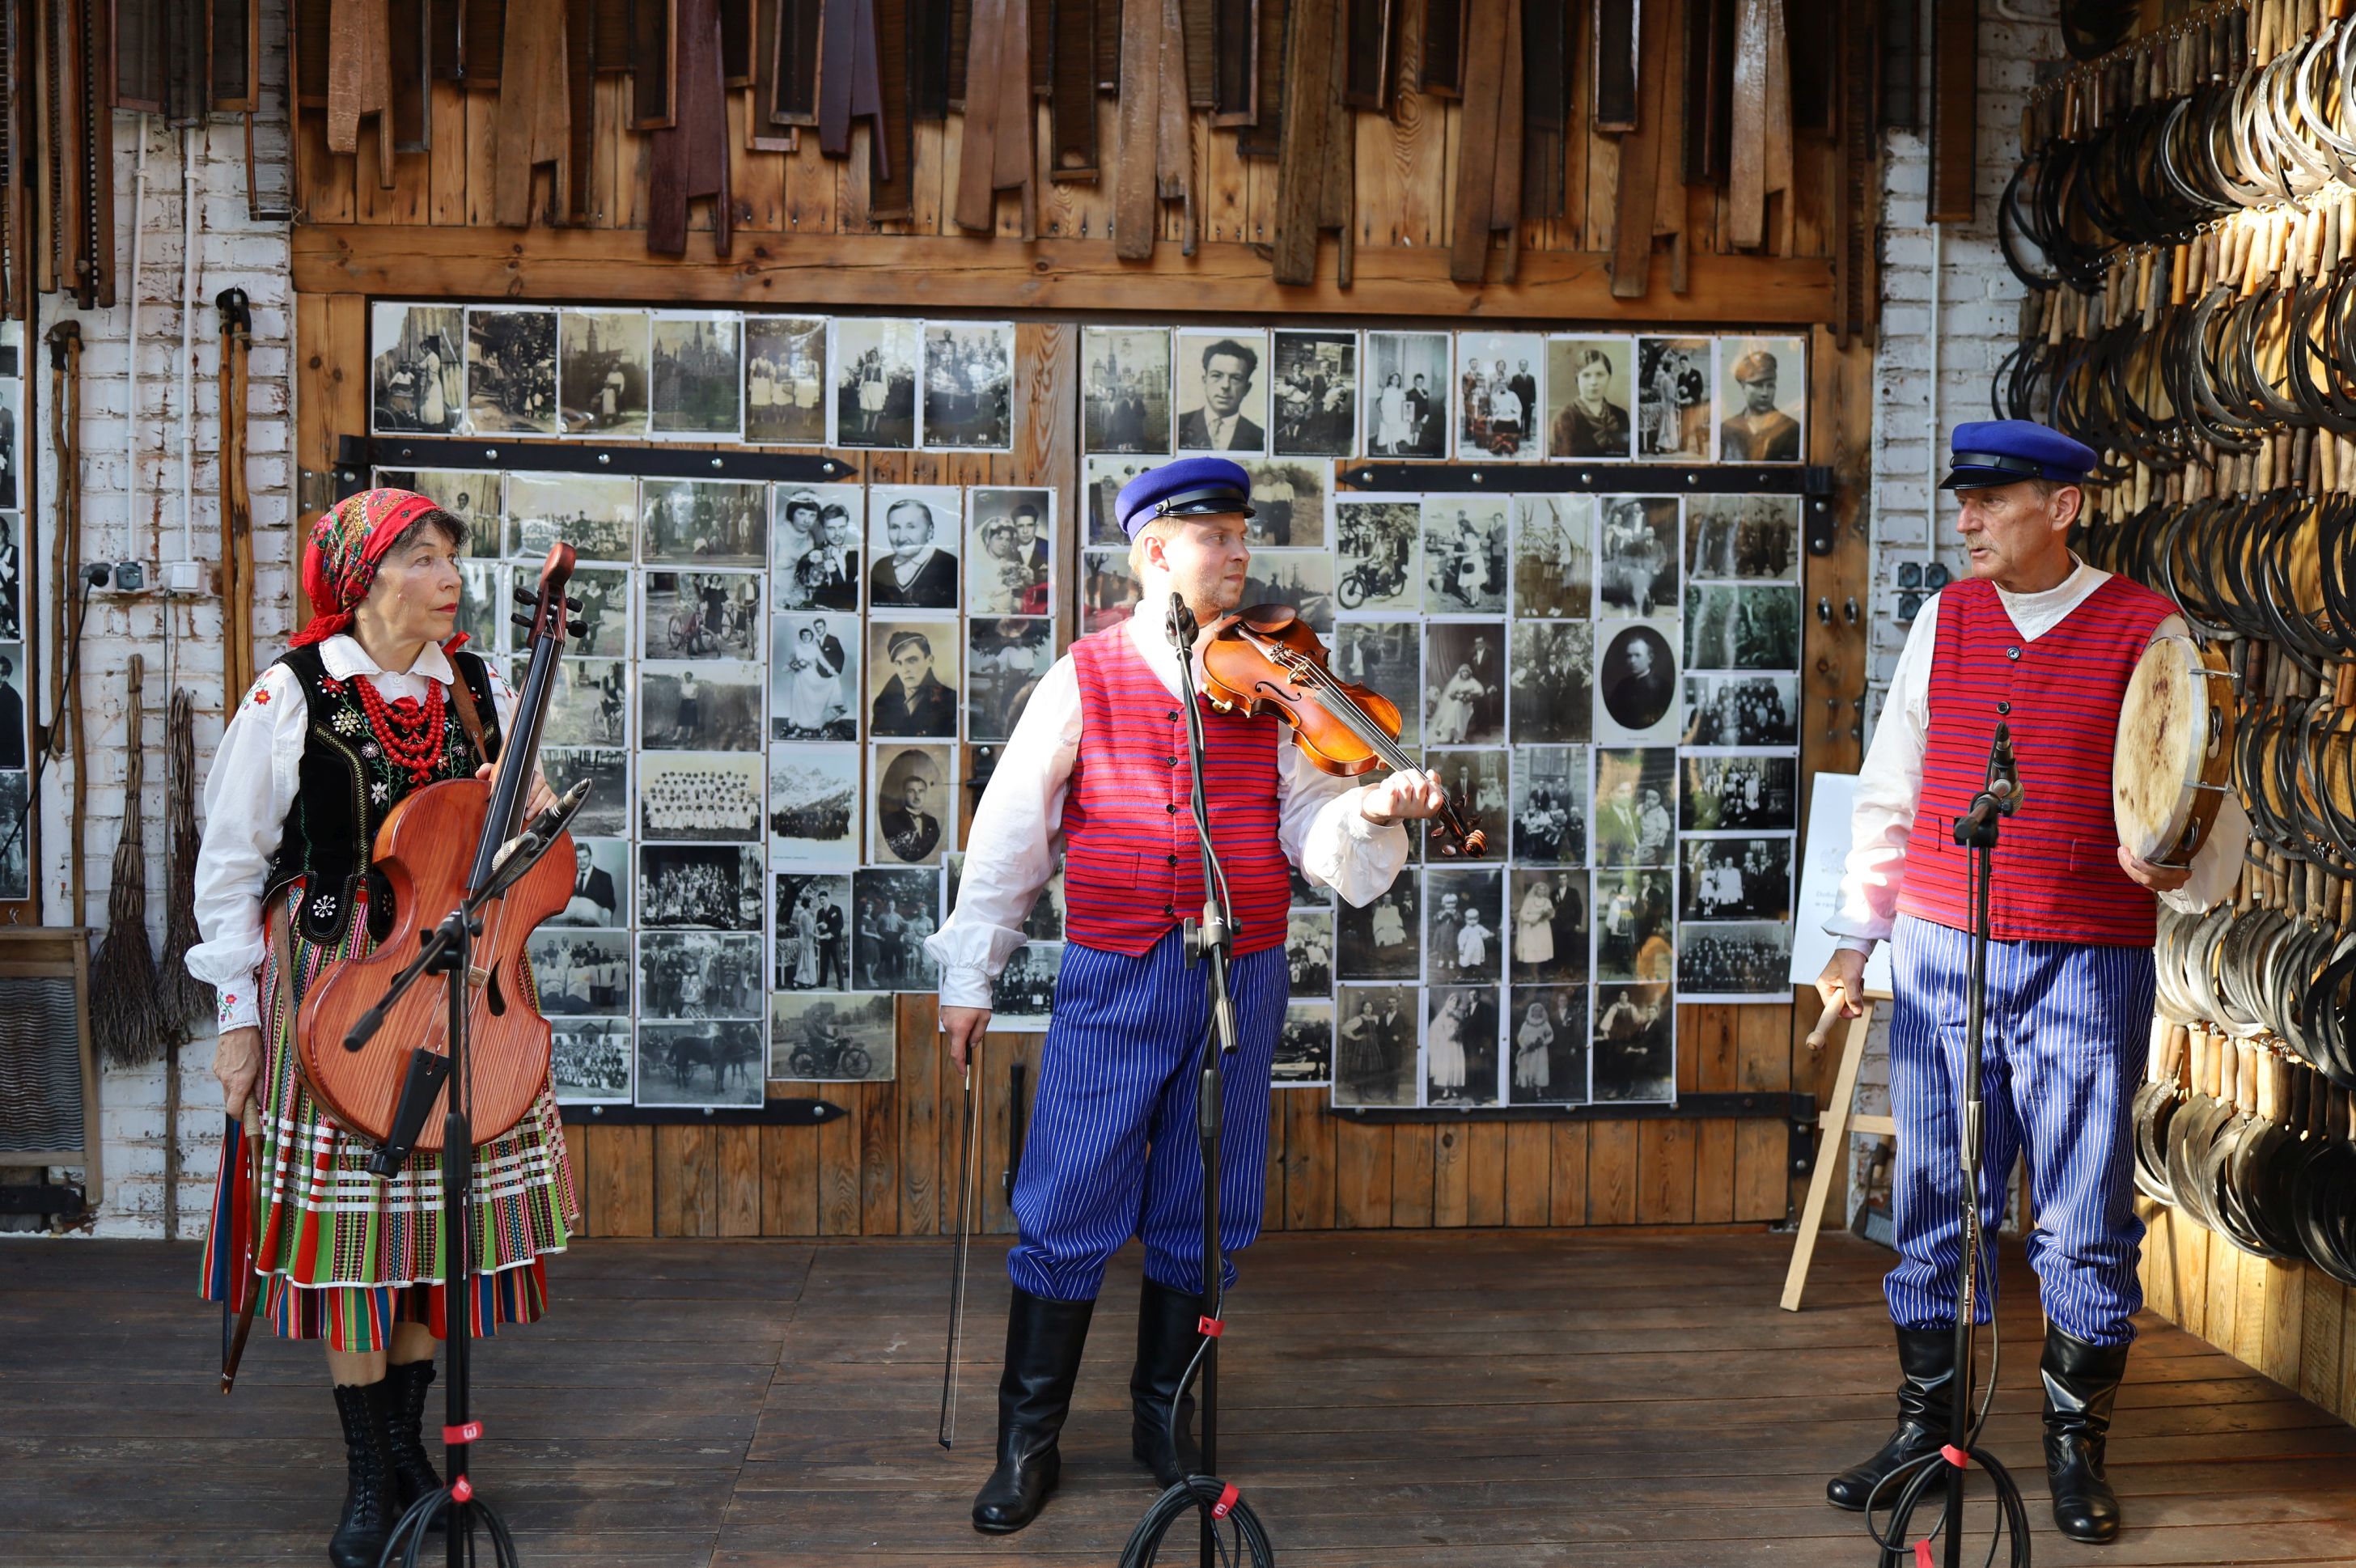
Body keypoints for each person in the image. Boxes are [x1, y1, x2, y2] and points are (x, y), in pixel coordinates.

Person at [928, 457, 1444, 1533]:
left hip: (1238, 976)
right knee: (1068, 1195)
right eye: (1218, 537)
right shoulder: (1085, 675)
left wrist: (1370, 812)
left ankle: (1163, 1421)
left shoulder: (1273, 682)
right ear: (1156, 550)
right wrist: (972, 973)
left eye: (1244, 536)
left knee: (1206, 1202)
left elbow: (1309, 829)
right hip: (1116, 971)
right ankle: (1026, 1443)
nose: (1240, 554)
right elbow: (1012, 831)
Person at [1816, 420, 2248, 1545]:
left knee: (2082, 1213)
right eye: (1962, 501)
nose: (1965, 521)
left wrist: (2177, 865)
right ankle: (1926, 1432)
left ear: (2061, 508)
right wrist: (1856, 938)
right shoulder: (1944, 619)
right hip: (1941, 953)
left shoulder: (2150, 632)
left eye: (1991, 501)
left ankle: (2073, 1448)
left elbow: (2203, 812)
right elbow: (1892, 785)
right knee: (1932, 1203)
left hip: (2085, 961)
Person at [188, 491, 570, 1568]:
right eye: (424, 557)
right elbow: (229, 866)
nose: (450, 576)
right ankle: (369, 1477)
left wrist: (528, 815)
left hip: (460, 981)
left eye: (451, 556)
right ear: (365, 580)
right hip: (336, 987)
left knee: (426, 1236)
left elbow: (532, 838)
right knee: (358, 1242)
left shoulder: (482, 686)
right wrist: (236, 1020)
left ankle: (407, 1450)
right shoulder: (292, 691)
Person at [1176, 340, 1265, 451]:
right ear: (1204, 381)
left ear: (1247, 389)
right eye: (1217, 375)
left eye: (1236, 378)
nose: (1225, 385)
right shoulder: (1177, 425)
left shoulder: (1261, 437)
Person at [870, 498, 959, 608]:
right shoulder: (880, 567)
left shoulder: (951, 567)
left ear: (930, 531)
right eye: (894, 527)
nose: (901, 538)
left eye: (911, 527)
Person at [871, 629, 957, 736]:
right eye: (899, 663)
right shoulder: (883, 704)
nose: (905, 669)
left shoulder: (951, 701)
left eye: (912, 661)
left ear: (930, 661)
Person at [1720, 350, 1802, 461]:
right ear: (1743, 387)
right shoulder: (1727, 429)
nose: (1765, 393)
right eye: (1758, 385)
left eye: (1770, 386)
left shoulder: (1792, 429)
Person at [1552, 346, 1630, 456]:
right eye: (1586, 375)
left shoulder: (1620, 416)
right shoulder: (1565, 418)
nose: (1593, 382)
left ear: (1609, 377)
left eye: (1600, 375)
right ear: (1577, 379)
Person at [1515, 879, 1556, 968]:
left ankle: (1540, 970)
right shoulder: (1529, 901)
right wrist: (1532, 920)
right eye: (1540, 890)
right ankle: (1533, 971)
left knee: (1541, 947)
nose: (1542, 892)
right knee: (1532, 948)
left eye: (1543, 890)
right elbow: (1522, 914)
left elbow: (1552, 915)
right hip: (1531, 927)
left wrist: (1547, 915)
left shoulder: (1547, 901)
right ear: (1536, 890)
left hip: (1543, 928)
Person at [1514, 1002, 1553, 1091]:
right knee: (1528, 1068)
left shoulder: (1545, 1023)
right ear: (1532, 1012)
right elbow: (1520, 1037)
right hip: (1528, 1050)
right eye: (1535, 1011)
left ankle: (1539, 1089)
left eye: (1539, 1011)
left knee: (1540, 1068)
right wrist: (1524, 1047)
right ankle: (1528, 1088)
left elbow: (1551, 1035)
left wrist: (1543, 1043)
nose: (1537, 1013)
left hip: (1540, 1050)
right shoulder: (1526, 1024)